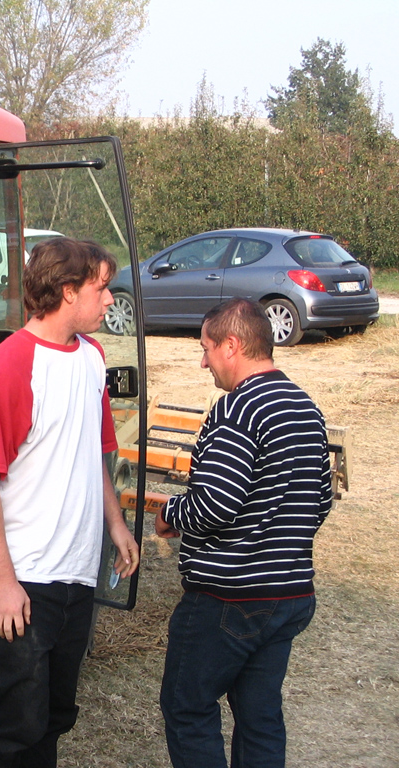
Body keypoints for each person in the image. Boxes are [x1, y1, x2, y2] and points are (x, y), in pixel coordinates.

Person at [0, 237, 140, 768]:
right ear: (67, 292)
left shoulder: (92, 357)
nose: (110, 300)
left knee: (54, 716)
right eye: (101, 288)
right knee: (15, 721)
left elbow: (95, 452)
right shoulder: (9, 367)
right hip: (22, 574)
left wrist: (117, 525)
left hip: (75, 572)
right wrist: (5, 582)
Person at [156, 297, 333, 768]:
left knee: (187, 706)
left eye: (207, 348)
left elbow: (215, 503)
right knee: (260, 717)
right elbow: (319, 500)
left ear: (231, 345)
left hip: (227, 598)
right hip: (288, 594)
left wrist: (171, 512)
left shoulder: (237, 410)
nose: (203, 360)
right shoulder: (306, 408)